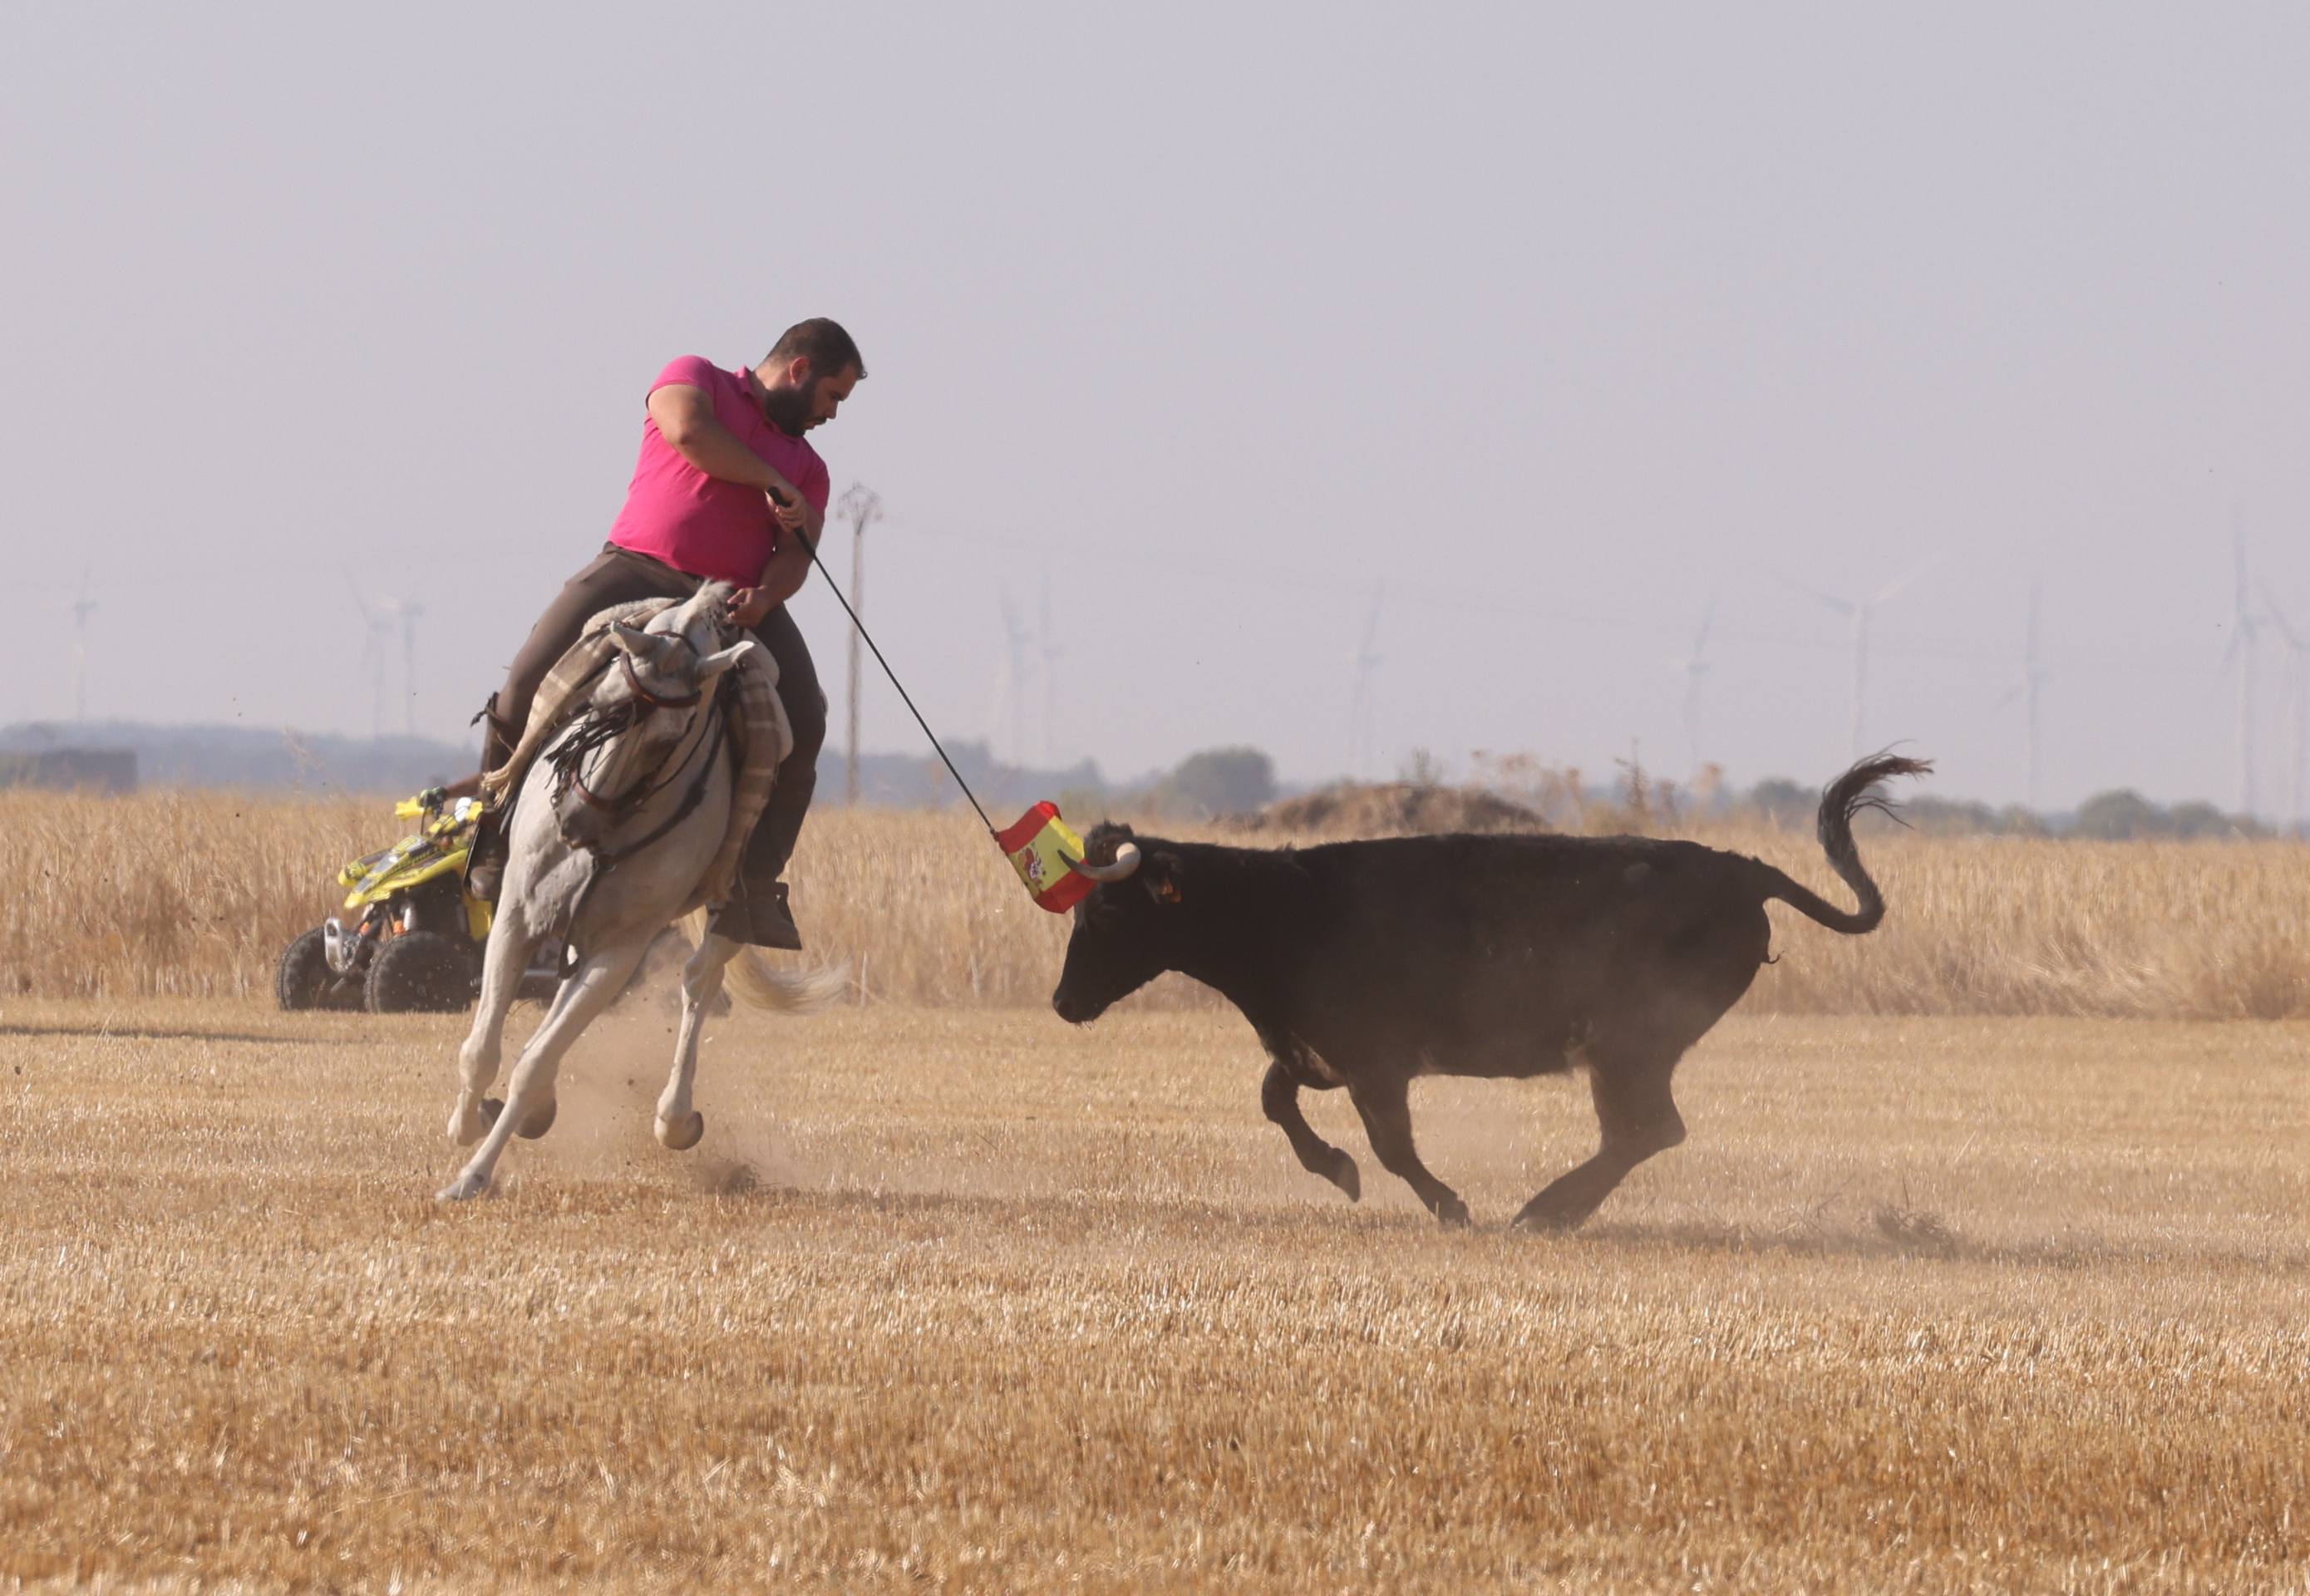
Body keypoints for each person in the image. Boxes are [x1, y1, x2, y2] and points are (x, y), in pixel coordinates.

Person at [465, 318, 865, 950]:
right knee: (521, 684)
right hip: (632, 567)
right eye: (831, 397)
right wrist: (772, 480)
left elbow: (796, 553)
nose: (831, 415)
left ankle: (754, 890)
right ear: (799, 370)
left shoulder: (810, 469)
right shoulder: (695, 377)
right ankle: (488, 837)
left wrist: (766, 595)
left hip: (728, 601)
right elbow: (688, 432)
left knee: (806, 720)